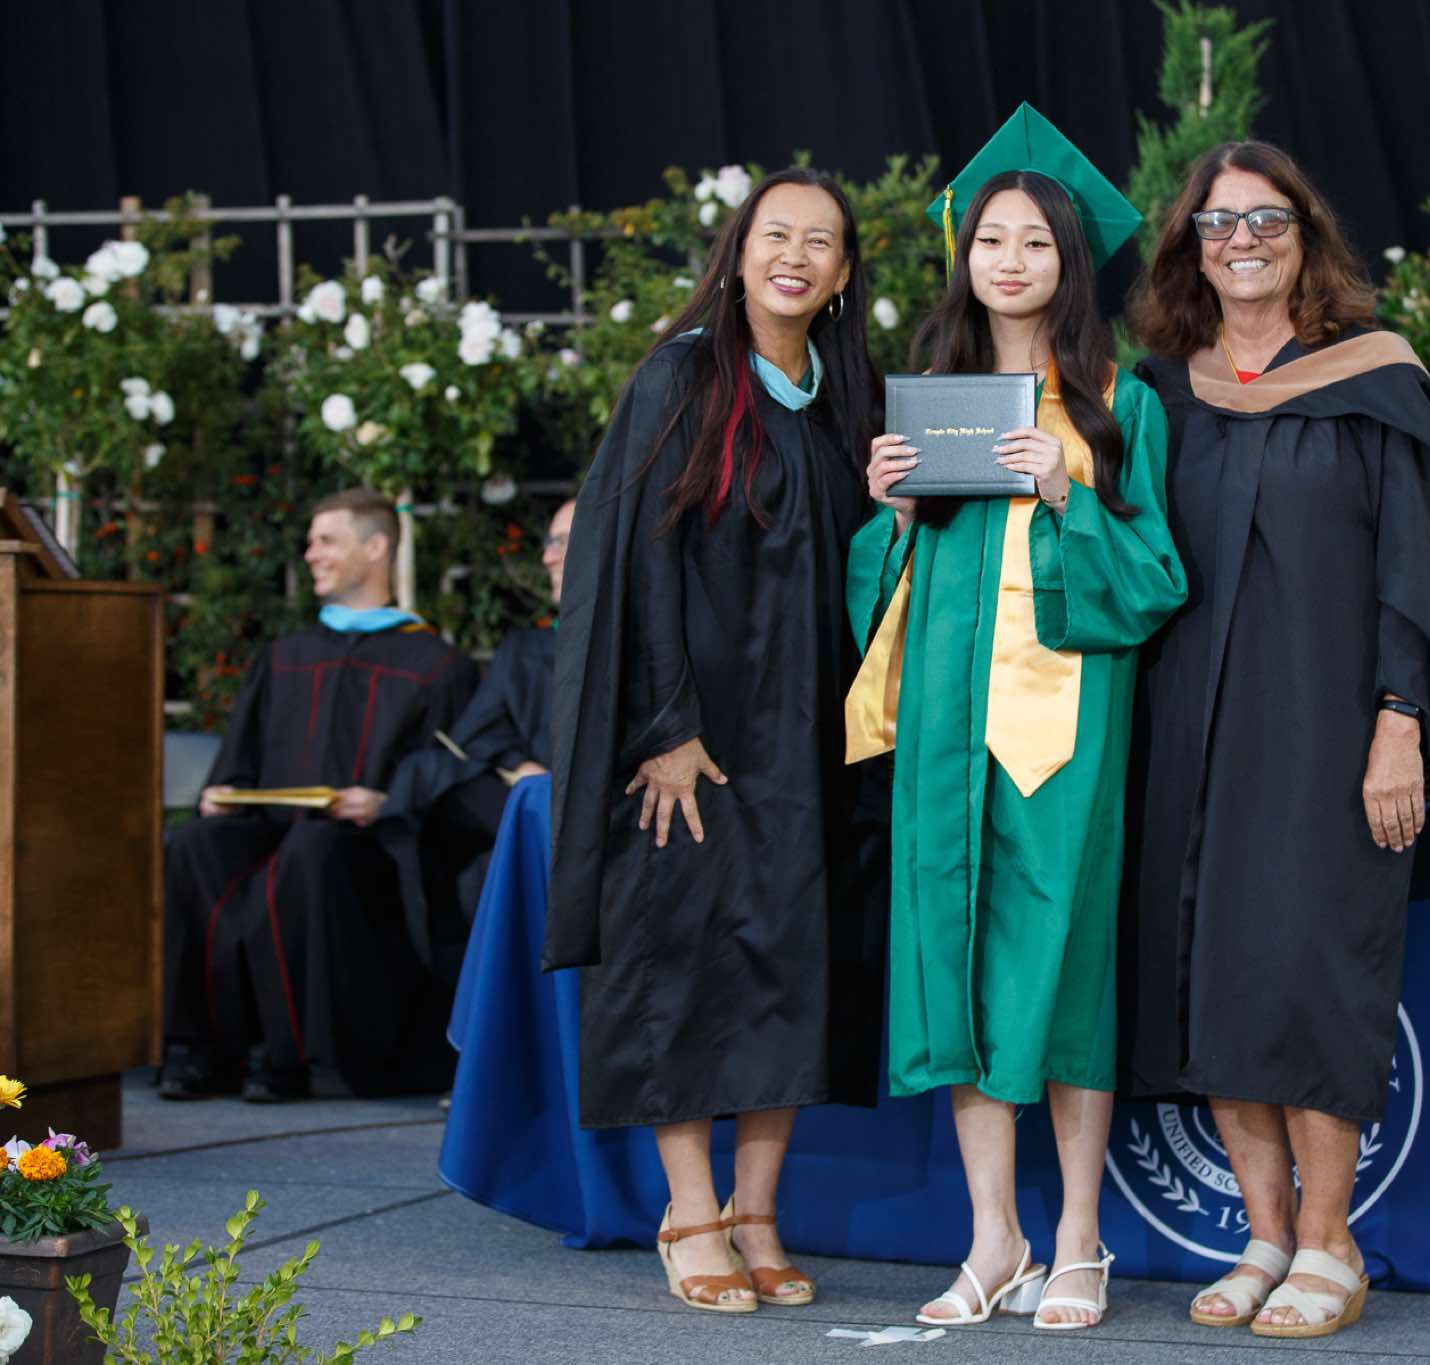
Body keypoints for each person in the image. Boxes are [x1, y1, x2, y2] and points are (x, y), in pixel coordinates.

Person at [1121, 142, 1430, 1340]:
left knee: (1313, 973)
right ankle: (1264, 1235)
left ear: (1305, 236)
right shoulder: (1159, 393)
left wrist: (1400, 722)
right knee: (1214, 975)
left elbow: (1418, 571)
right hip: (1187, 731)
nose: (1241, 242)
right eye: (1217, 224)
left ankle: (1331, 1241)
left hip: (1329, 731)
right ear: (1189, 249)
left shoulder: (1372, 379)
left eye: (1264, 220)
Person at [848, 104, 1187, 1332]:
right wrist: (888, 519)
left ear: (1069, 260)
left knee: (1063, 971)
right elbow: (876, 594)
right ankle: (993, 1239)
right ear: (964, 253)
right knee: (954, 970)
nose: (1010, 260)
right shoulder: (931, 402)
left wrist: (1065, 498)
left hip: (1062, 734)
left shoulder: (1117, 403)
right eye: (990, 238)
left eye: (1036, 242)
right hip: (944, 733)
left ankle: (1080, 1237)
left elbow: (1155, 578)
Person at [546, 167, 887, 1317]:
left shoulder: (845, 399)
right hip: (697, 742)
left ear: (843, 273)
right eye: (774, 234)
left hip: (808, 736)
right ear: (738, 254)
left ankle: (756, 1214)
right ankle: (688, 1212)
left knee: (791, 965)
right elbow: (635, 556)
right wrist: (664, 725)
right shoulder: (684, 374)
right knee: (684, 965)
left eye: (819, 242)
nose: (794, 255)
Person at [160, 488, 479, 1103]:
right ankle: (203, 1050)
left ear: (376, 547)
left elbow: (448, 777)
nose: (310, 554)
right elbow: (240, 759)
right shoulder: (286, 655)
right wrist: (224, 792)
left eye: (326, 540)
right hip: (275, 833)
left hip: (366, 852)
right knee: (197, 842)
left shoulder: (436, 665)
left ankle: (290, 1057)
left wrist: (387, 801)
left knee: (310, 850)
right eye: (311, 541)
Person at [375, 498, 574, 984]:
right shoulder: (524, 651)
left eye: (562, 542)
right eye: (549, 542)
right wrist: (521, 765)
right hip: (527, 805)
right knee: (425, 782)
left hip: (601, 819)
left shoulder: (649, 647)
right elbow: (478, 732)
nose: (547, 556)